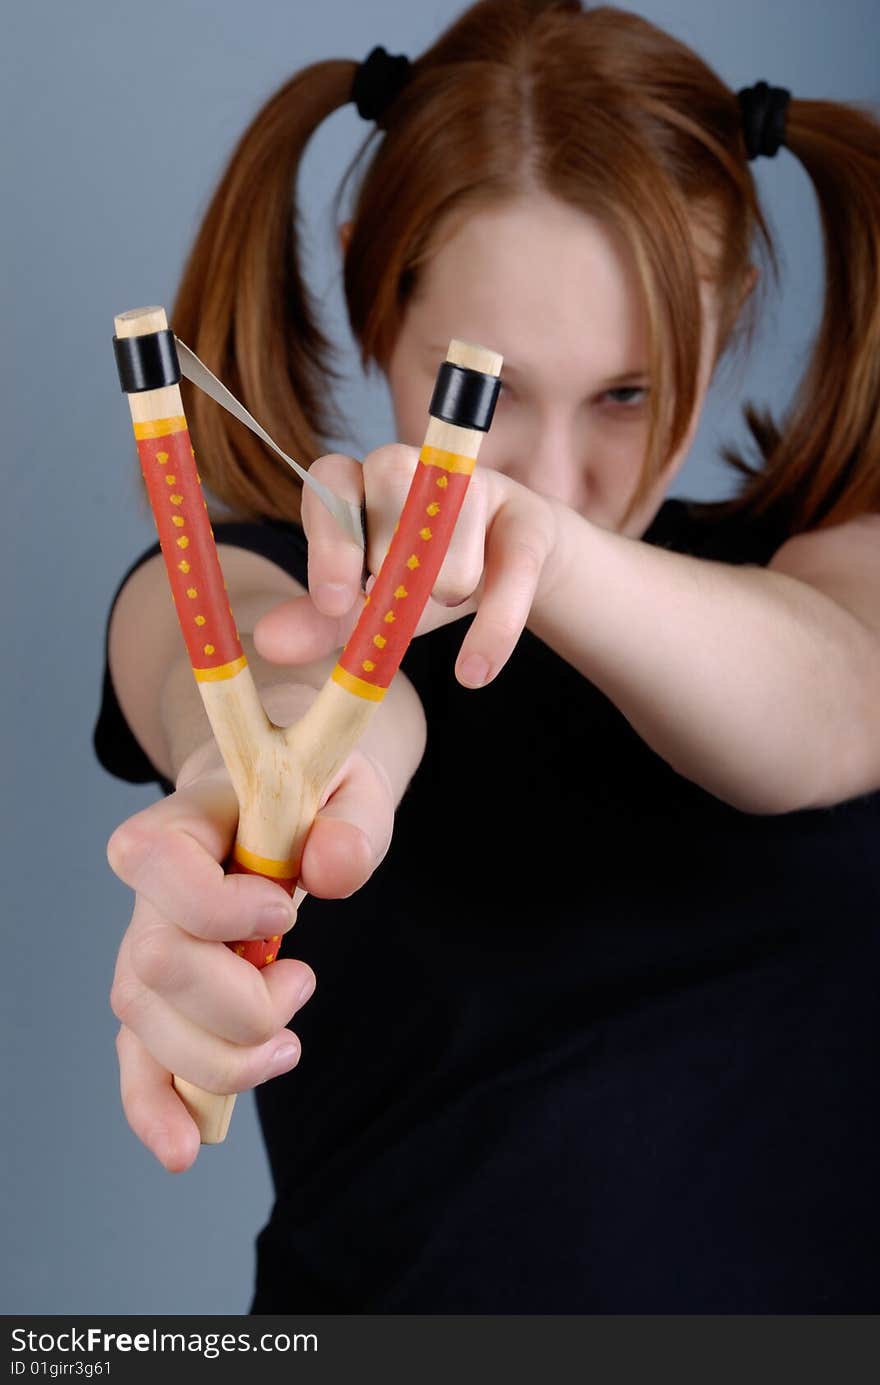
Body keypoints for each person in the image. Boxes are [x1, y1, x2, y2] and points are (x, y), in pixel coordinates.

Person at [94, 0, 880, 1312]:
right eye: (490, 392)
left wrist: (545, 557)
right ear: (367, 295)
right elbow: (278, 683)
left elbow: (833, 695)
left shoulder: (832, 569)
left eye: (626, 394)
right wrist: (274, 775)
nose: (555, 477)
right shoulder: (257, 575)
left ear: (730, 310)